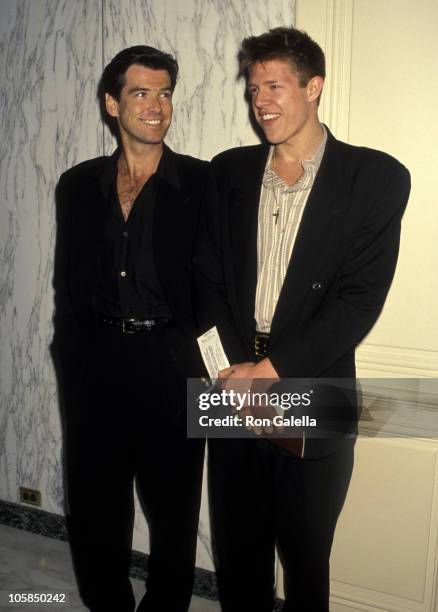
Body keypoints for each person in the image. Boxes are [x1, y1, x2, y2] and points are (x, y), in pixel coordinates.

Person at [208, 27, 411, 612]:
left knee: (305, 561)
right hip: (231, 382)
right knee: (237, 556)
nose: (261, 101)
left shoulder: (376, 178)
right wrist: (230, 373)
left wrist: (269, 370)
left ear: (314, 86)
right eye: (253, 89)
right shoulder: (227, 172)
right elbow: (207, 281)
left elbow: (359, 302)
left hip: (313, 383)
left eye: (275, 85)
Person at [52, 45, 211, 612]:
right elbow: (66, 285)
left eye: (164, 92)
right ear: (111, 103)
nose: (155, 106)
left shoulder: (203, 183)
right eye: (141, 92)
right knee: (96, 505)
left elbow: (217, 285)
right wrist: (69, 358)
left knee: (173, 510)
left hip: (171, 365)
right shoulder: (77, 185)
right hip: (94, 363)